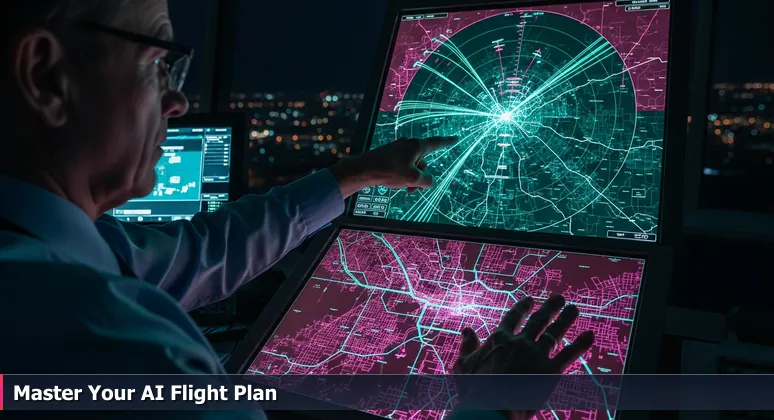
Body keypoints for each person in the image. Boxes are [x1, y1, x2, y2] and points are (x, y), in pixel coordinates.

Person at [0, 0, 594, 418]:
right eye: (159, 63)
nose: (177, 99)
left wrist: (355, 173)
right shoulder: (119, 347)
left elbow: (203, 253)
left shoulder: (64, 257)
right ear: (45, 77)